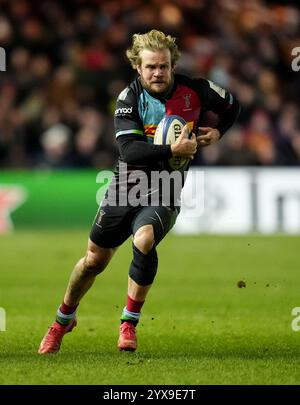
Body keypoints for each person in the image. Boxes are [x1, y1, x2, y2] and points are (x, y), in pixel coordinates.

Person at [38, 29, 240, 354]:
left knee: (144, 239)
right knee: (93, 261)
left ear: (172, 65)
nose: (157, 73)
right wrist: (174, 148)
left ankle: (128, 323)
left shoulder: (197, 91)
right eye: (150, 67)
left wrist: (219, 131)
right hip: (125, 186)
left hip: (166, 188)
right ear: (138, 67)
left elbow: (233, 105)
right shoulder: (128, 99)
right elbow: (129, 151)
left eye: (163, 66)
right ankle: (63, 319)